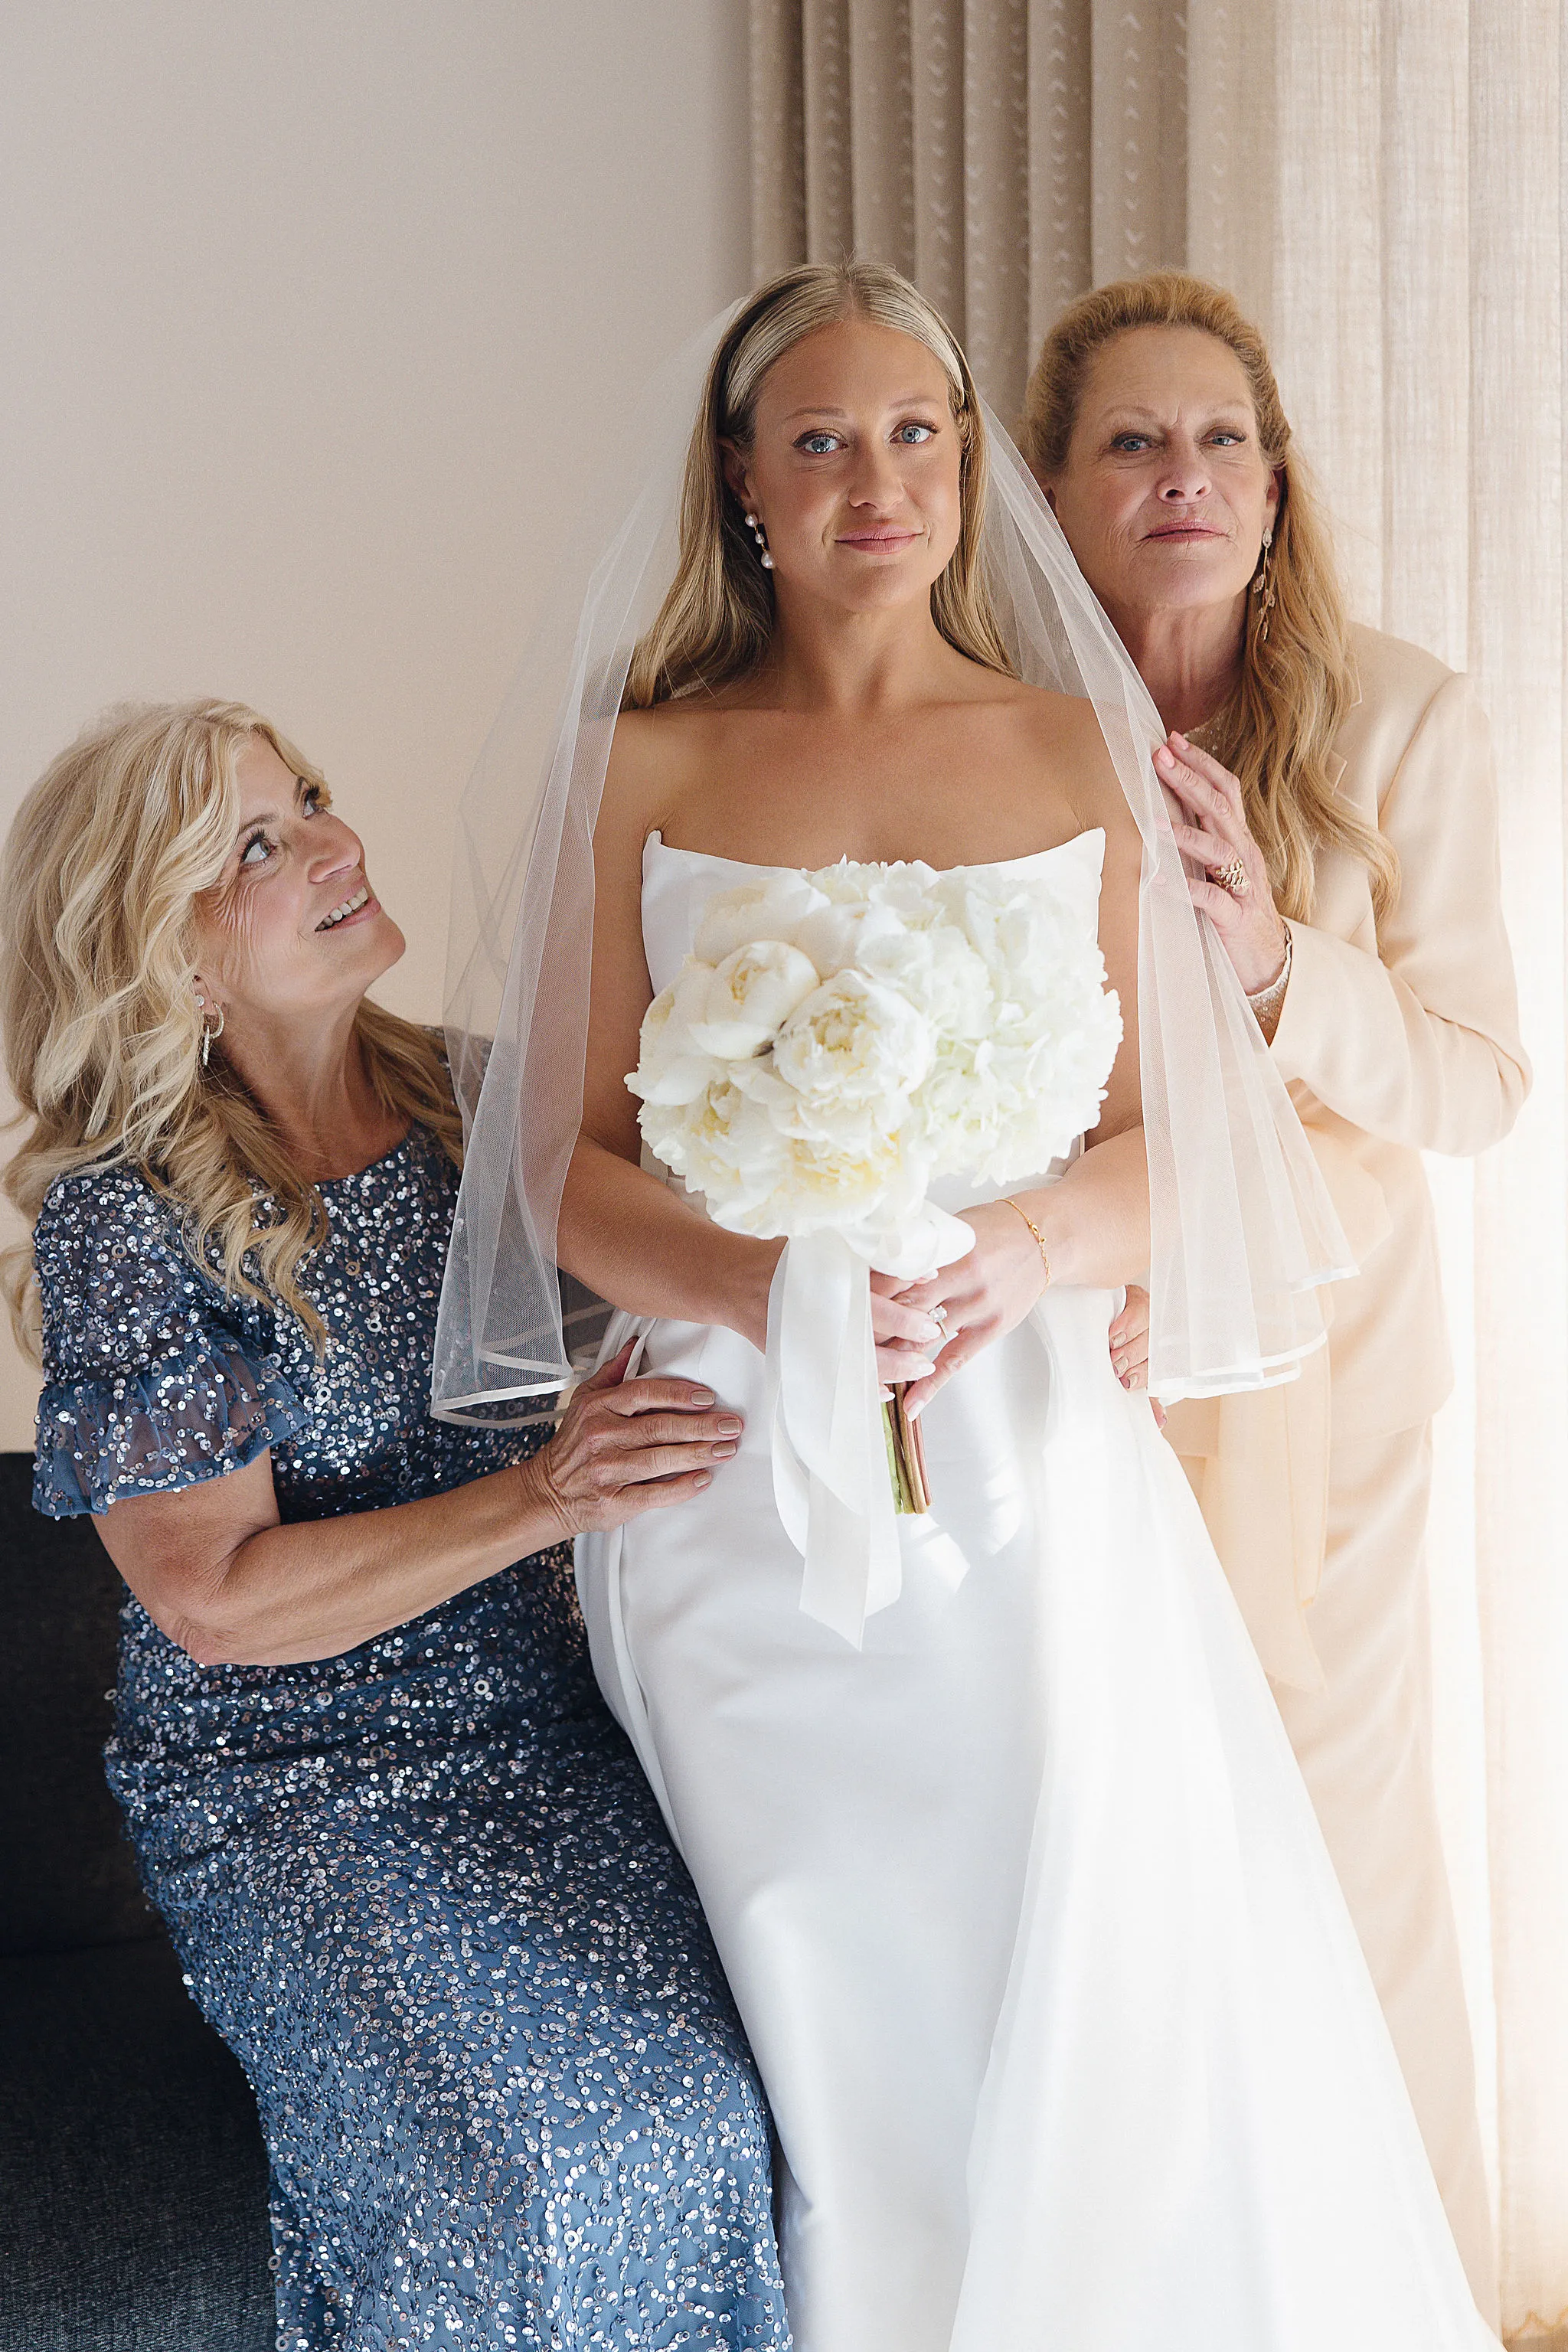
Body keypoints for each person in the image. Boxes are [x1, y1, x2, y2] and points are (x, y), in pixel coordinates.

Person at [436, 263, 1498, 2352]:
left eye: (918, 433)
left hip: (1037, 1471)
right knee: (833, 1992)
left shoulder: (1085, 750)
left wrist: (1019, 1252)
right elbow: (556, 1161)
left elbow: (1191, 1152)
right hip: (733, 1473)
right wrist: (770, 1291)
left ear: (970, 466)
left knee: (1093, 1973)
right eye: (822, 440)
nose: (878, 481)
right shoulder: (631, 764)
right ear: (742, 482)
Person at [0, 701, 790, 2352]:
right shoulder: (123, 1224)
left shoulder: (488, 1107)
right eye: (257, 846)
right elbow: (213, 1600)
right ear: (165, 956)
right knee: (534, 2170)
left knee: (727, 2111)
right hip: (295, 1791)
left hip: (553, 1736)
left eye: (310, 802)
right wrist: (541, 1493)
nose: (334, 846)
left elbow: (743, 1252)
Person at [1019, 270, 1528, 2322]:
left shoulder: (1398, 718)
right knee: (1117, 1840)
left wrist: (1271, 964)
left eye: (1223, 437)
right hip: (1073, 1354)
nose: (1186, 476)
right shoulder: (993, 729)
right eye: (1134, 441)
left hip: (1328, 1366)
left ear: (1278, 481)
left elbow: (1475, 1087)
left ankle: (1415, 2301)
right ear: (1052, 490)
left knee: (1338, 1837)